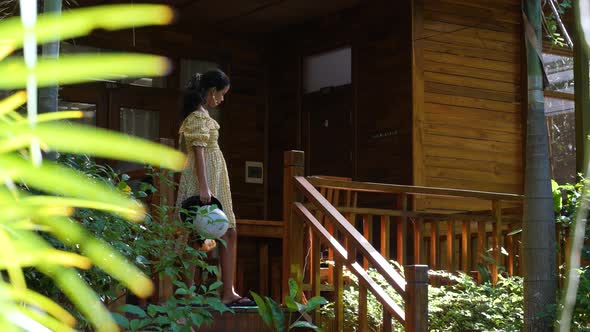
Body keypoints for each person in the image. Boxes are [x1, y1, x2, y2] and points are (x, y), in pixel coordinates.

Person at [176, 69, 254, 306]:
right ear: (211, 92)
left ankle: (227, 291)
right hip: (204, 180)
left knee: (227, 231)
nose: (222, 99)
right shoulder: (197, 118)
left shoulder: (202, 115)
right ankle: (189, 293)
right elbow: (197, 152)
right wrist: (204, 187)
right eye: (221, 94)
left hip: (214, 179)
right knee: (194, 234)